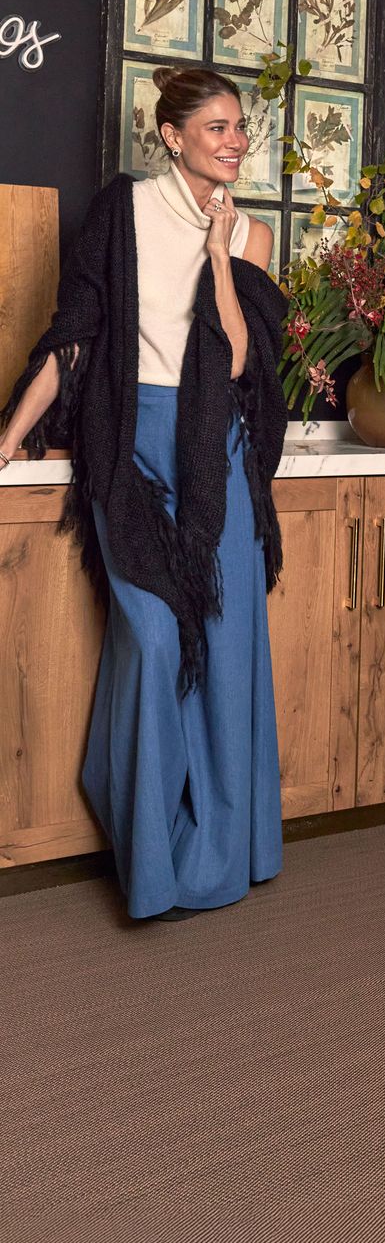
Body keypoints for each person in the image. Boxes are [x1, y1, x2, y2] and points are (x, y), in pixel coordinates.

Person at [0, 67, 289, 921]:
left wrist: (218, 259)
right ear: (172, 136)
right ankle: (150, 847)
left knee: (227, 648)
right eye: (218, 128)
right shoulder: (120, 212)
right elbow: (72, 342)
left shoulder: (253, 236)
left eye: (241, 127)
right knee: (157, 642)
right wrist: (10, 438)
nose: (236, 140)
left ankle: (224, 850)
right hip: (130, 453)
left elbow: (238, 361)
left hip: (217, 458)